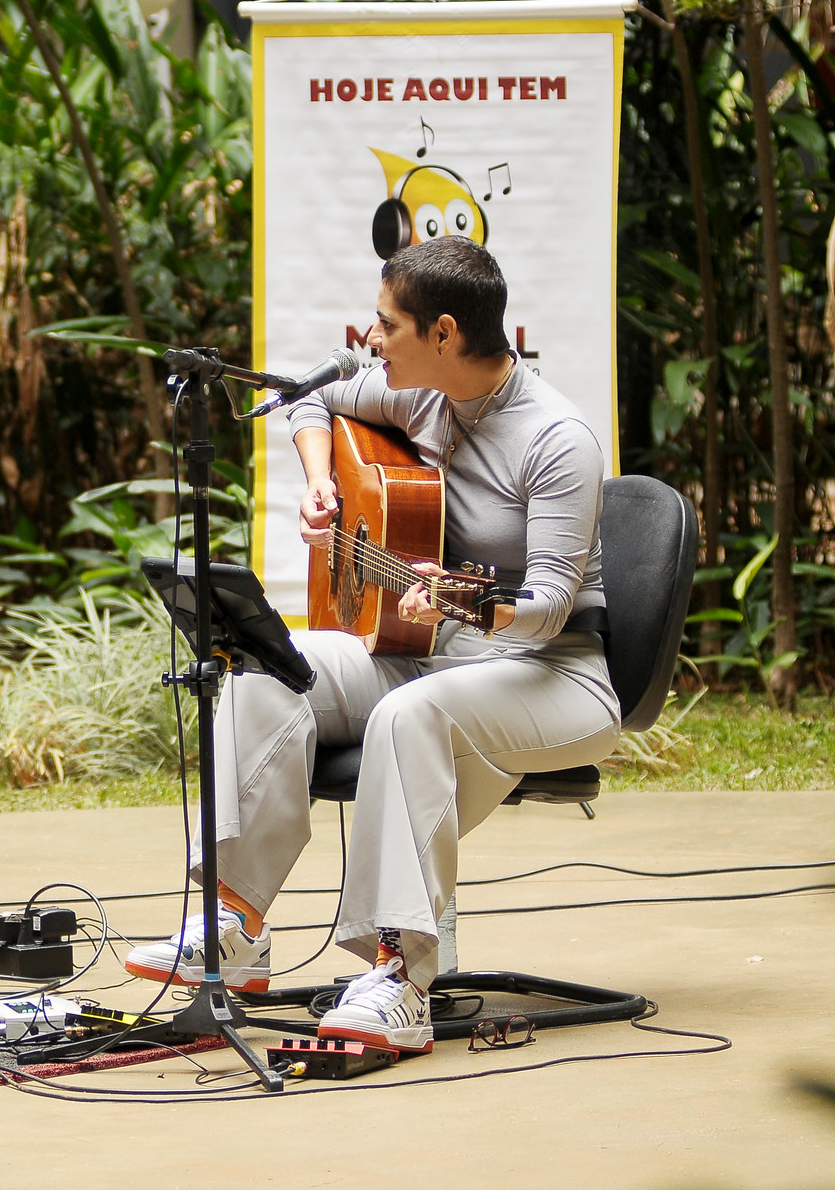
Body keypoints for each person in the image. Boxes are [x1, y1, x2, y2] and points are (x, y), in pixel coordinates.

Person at [124, 236, 622, 1054]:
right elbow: (311, 403)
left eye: (386, 324)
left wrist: (466, 600)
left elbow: (545, 608)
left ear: (445, 334)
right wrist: (323, 484)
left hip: (555, 672)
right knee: (267, 661)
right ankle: (234, 925)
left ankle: (401, 974)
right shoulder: (425, 399)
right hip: (438, 651)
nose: (370, 338)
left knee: (409, 713)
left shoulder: (557, 437)